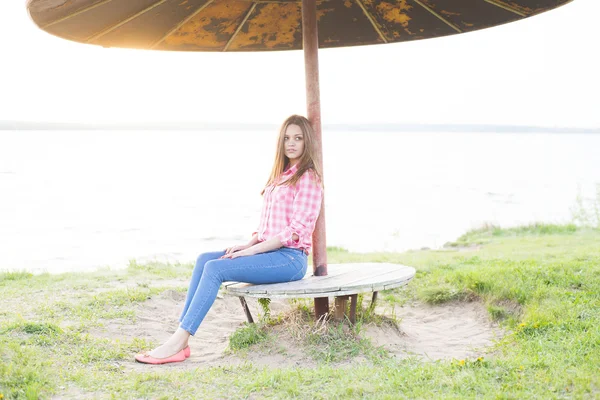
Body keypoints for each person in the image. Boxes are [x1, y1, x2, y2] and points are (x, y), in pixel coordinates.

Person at [135, 115, 323, 364]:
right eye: (287, 138)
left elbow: (296, 231)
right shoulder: (281, 176)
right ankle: (181, 339)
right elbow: (269, 226)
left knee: (216, 269)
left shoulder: (308, 178)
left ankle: (178, 341)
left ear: (306, 142)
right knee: (205, 260)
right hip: (269, 252)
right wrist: (249, 244)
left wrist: (252, 253)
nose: (291, 143)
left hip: (290, 258)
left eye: (298, 138)